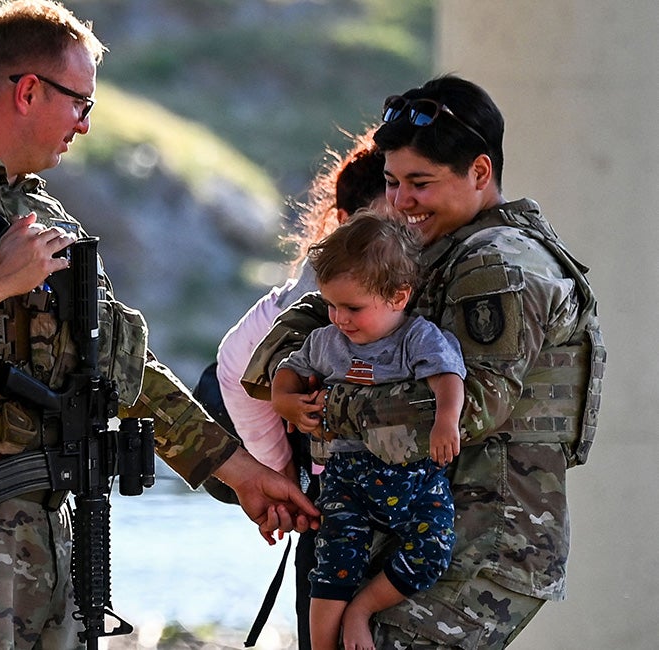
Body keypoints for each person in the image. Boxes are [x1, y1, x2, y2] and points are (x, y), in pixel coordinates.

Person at [0, 1, 318, 648]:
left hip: (42, 524)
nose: (85, 124)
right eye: (80, 102)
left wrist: (241, 473)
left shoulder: (39, 209)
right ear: (28, 91)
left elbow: (119, 366)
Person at [244, 75, 605, 649]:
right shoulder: (427, 253)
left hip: (479, 543)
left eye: (420, 183)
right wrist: (299, 382)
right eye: (392, 183)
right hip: (416, 531)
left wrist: (325, 405)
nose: (401, 201)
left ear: (480, 173)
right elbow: (277, 353)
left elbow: (469, 409)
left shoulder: (497, 267)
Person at [212, 128, 386, 649]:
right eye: (384, 217)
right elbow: (235, 366)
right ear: (348, 223)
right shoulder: (319, 289)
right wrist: (278, 474)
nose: (397, 234)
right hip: (330, 512)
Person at [271, 212, 465, 650]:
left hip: (415, 478)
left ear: (398, 296)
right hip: (347, 479)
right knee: (332, 567)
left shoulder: (417, 338)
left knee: (432, 551)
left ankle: (362, 609)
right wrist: (286, 401)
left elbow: (448, 377)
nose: (340, 318)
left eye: (353, 308)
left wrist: (445, 421)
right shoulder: (326, 341)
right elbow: (288, 371)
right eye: (332, 305)